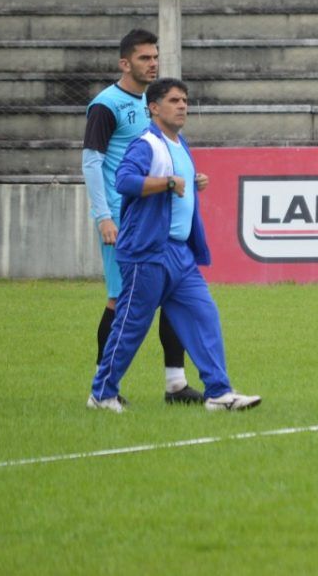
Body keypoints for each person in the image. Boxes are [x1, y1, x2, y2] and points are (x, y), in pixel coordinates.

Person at [88, 78, 261, 413]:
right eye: (173, 100)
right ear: (153, 107)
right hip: (147, 252)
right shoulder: (146, 143)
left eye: (185, 100)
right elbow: (125, 180)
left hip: (180, 255)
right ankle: (101, 394)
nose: (182, 105)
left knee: (204, 315)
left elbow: (175, 185)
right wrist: (168, 183)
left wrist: (192, 183)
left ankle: (219, 393)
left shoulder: (179, 144)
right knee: (131, 326)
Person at [81, 29, 202, 404]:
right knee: (120, 300)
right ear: (125, 63)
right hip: (125, 221)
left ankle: (176, 384)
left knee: (174, 297)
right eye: (144, 58)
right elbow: (92, 162)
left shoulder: (156, 104)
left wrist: (188, 180)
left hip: (161, 219)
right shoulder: (107, 105)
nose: (153, 64)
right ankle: (104, 388)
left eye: (155, 57)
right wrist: (103, 216)